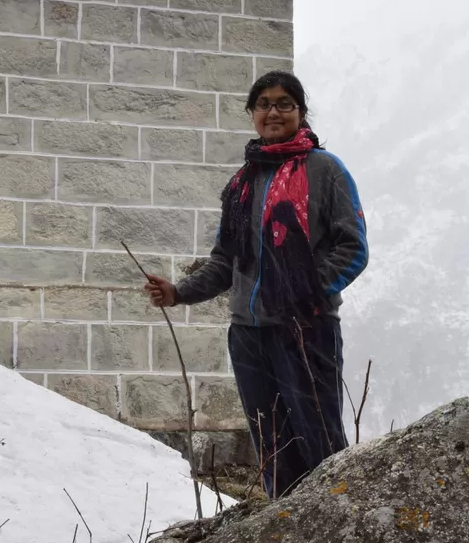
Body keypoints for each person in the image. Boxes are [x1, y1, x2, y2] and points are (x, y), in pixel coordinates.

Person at [144, 71, 369, 499]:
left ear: (301, 113)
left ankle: (337, 529)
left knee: (320, 441)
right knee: (272, 447)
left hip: (306, 329)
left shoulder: (325, 170)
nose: (273, 111)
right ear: (252, 114)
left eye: (285, 103)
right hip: (248, 334)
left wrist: (306, 294)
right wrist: (178, 292)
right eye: (263, 103)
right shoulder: (241, 184)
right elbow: (225, 261)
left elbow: (353, 248)